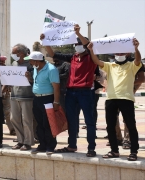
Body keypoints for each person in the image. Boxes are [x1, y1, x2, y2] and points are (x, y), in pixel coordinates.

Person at [41, 24, 97, 157]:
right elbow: (53, 54)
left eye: (79, 44)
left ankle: (91, 148)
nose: (77, 46)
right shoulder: (72, 57)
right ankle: (72, 145)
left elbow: (88, 44)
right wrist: (45, 41)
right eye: (75, 44)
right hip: (71, 93)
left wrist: (77, 34)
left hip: (85, 92)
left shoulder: (91, 57)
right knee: (71, 120)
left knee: (89, 121)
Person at [87, 38, 142, 161]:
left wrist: (136, 48)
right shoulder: (110, 66)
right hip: (111, 99)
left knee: (131, 125)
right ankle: (114, 150)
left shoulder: (131, 65)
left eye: (122, 53)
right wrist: (91, 50)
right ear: (114, 55)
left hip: (126, 99)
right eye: (117, 53)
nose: (119, 55)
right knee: (110, 126)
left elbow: (138, 60)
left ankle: (133, 151)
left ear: (127, 53)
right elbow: (96, 61)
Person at [27, 51, 60, 154]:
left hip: (48, 99)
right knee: (39, 123)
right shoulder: (36, 69)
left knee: (48, 124)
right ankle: (42, 145)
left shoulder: (51, 69)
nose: (30, 63)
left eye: (31, 61)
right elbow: (37, 83)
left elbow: (56, 87)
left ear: (37, 61)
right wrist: (28, 78)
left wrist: (56, 102)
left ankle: (50, 146)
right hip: (37, 99)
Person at [9, 44, 35, 151]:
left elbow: (35, 79)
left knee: (27, 119)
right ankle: (20, 140)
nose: (13, 55)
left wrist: (29, 77)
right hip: (14, 95)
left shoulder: (30, 64)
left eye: (15, 53)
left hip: (27, 95)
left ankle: (28, 142)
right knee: (14, 118)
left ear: (21, 53)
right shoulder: (14, 63)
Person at [0, 56, 15, 135]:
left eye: (3, 62)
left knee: (7, 112)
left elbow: (8, 82)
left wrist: (2, 92)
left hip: (5, 94)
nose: (2, 64)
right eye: (1, 62)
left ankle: (12, 129)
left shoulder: (6, 70)